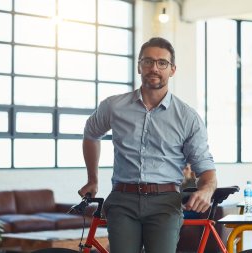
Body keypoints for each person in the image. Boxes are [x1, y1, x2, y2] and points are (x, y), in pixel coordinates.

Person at [78, 37, 217, 253]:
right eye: (148, 61)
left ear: (172, 70)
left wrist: (206, 190)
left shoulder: (188, 117)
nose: (154, 68)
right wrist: (92, 179)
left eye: (162, 63)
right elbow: (91, 133)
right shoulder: (113, 107)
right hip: (122, 199)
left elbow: (205, 168)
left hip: (166, 203)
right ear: (139, 67)